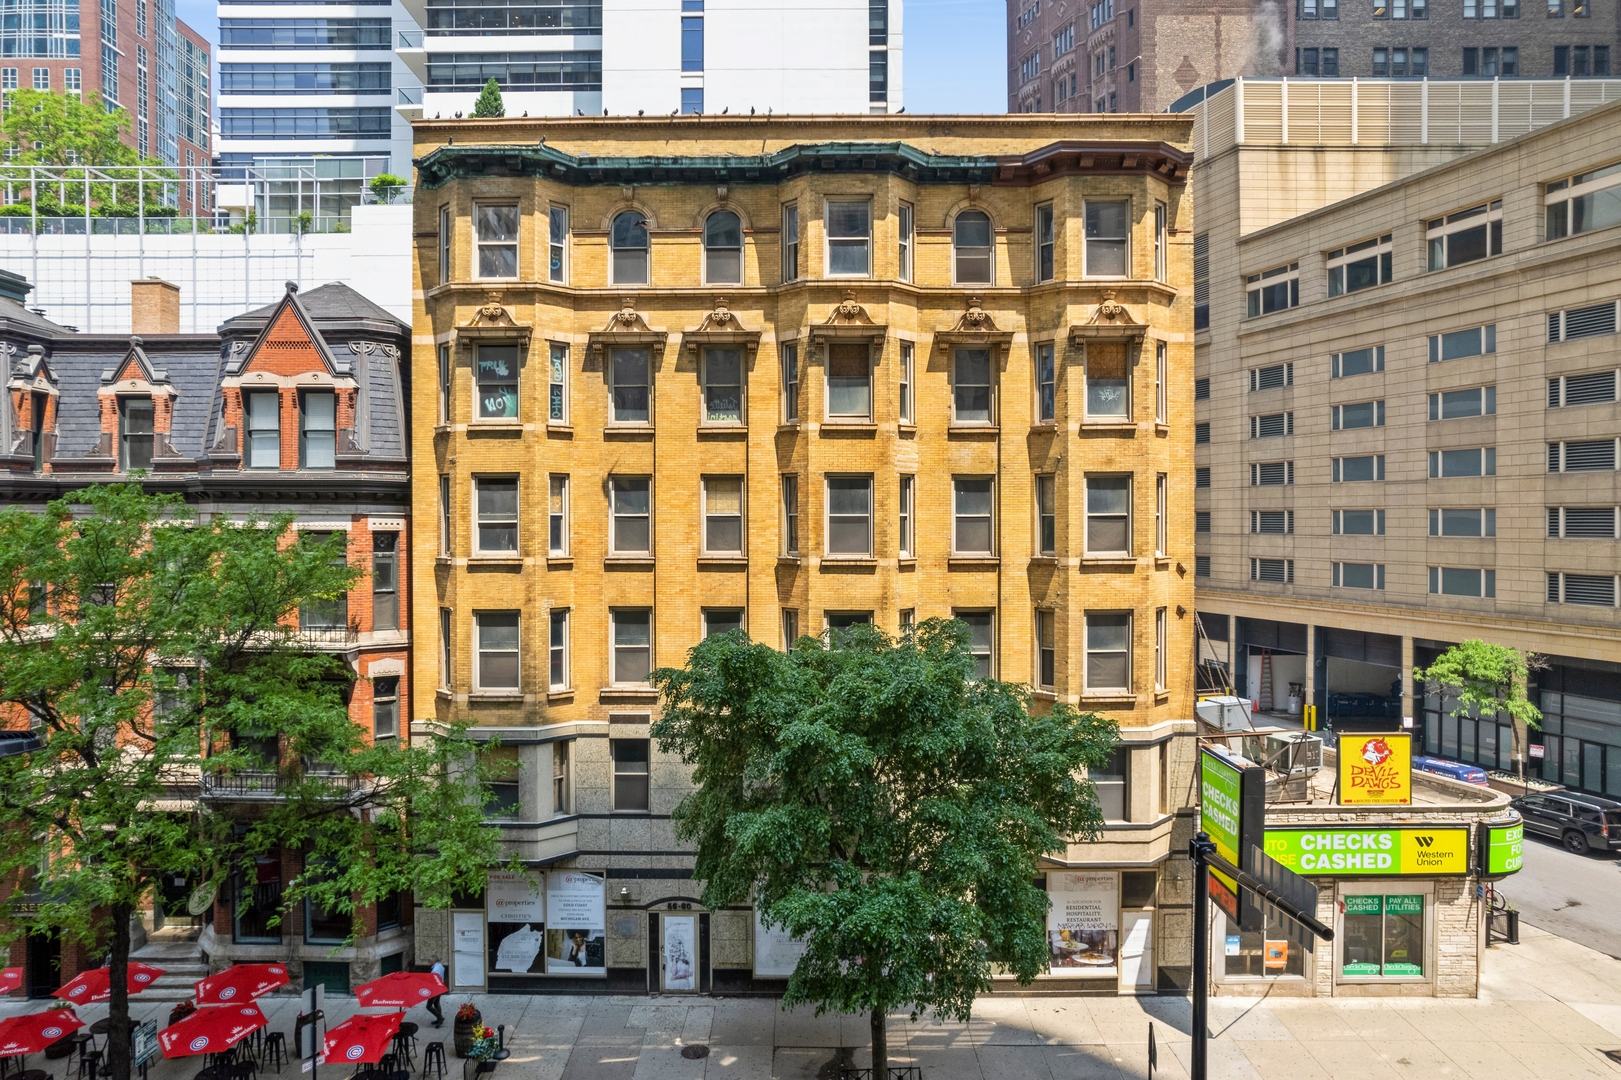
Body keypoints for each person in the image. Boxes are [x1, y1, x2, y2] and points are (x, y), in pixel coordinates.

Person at [426, 958, 447, 1027]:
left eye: (429, 960)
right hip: (440, 987)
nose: (428, 961)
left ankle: (440, 1018)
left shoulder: (435, 970)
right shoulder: (440, 966)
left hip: (435, 988)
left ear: (433, 961)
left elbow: (434, 979)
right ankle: (439, 1019)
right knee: (436, 1003)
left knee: (429, 1006)